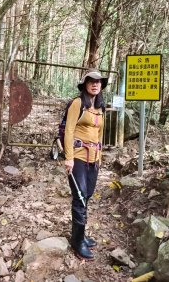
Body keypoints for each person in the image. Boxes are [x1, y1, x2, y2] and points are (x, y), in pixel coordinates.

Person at [64, 69, 107, 260]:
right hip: (79, 156)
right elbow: (69, 131)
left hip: (94, 158)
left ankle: (80, 235)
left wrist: (100, 156)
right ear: (85, 84)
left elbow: (99, 134)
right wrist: (69, 157)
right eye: (92, 81)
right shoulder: (77, 103)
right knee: (80, 197)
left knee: (87, 195)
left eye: (99, 82)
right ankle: (77, 241)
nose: (95, 84)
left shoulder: (99, 107)